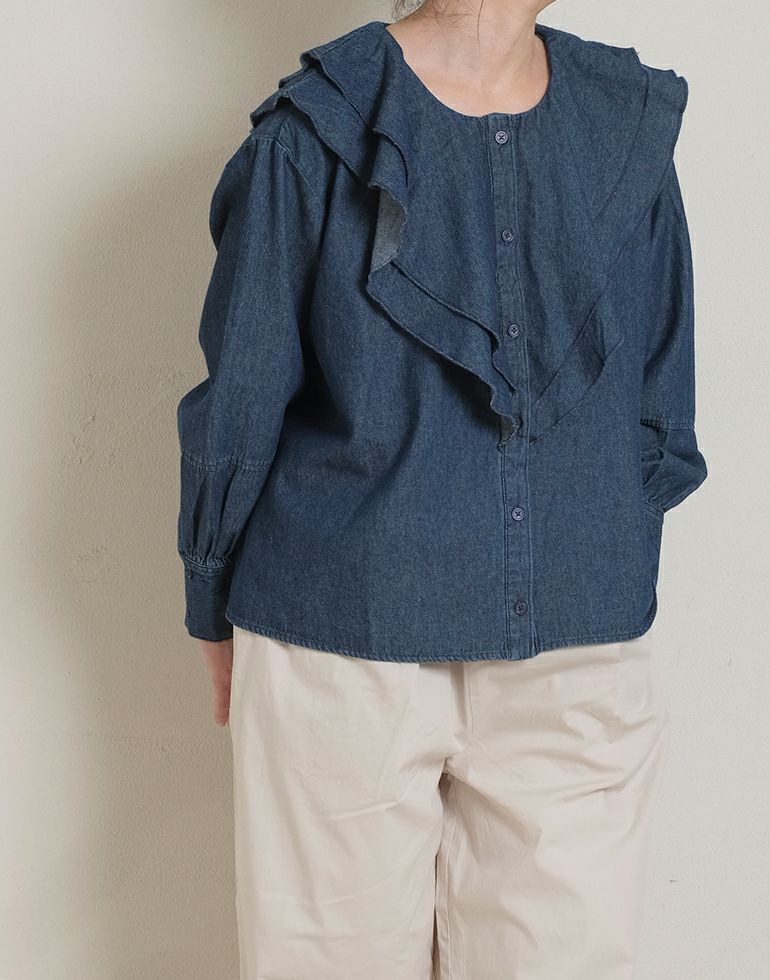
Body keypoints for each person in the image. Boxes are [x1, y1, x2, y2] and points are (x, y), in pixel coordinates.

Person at [175, 2, 708, 977]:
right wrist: (210, 592)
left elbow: (658, 401)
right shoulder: (312, 131)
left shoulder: (626, 126)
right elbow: (243, 395)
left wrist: (211, 596)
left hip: (558, 649)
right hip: (348, 648)